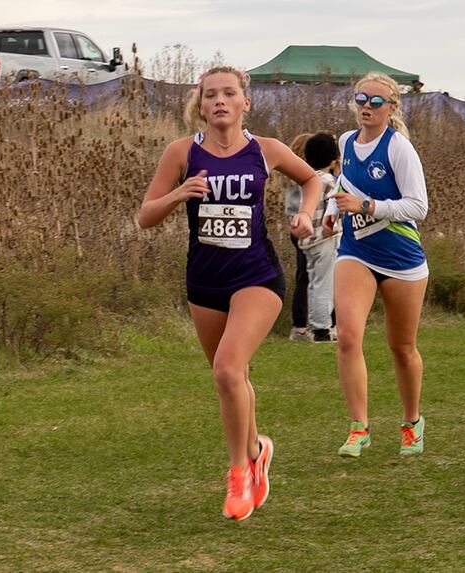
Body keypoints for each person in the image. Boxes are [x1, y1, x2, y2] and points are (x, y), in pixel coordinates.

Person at [138, 66, 320, 522]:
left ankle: (239, 473)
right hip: (205, 283)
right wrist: (179, 194)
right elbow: (145, 216)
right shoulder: (181, 153)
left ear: (246, 103)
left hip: (257, 277)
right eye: (210, 95)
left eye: (229, 94)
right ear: (200, 105)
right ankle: (258, 449)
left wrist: (307, 216)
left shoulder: (267, 151)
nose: (220, 101)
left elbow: (312, 179)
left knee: (227, 368)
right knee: (230, 380)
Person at [322, 72, 429, 459]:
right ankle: (358, 428)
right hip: (357, 250)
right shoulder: (346, 141)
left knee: (401, 348)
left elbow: (419, 207)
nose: (366, 106)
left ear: (392, 107)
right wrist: (332, 210)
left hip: (402, 259)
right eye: (360, 99)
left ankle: (412, 422)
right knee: (348, 336)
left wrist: (368, 207)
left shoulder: (399, 149)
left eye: (376, 102)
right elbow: (344, 186)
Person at [299, 132, 342, 342]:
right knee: (325, 283)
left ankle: (315, 324)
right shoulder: (328, 181)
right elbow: (333, 209)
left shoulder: (306, 179)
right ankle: (322, 329)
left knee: (314, 282)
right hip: (325, 239)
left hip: (308, 240)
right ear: (333, 159)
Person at [283, 133, 314, 342]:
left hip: (293, 226)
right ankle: (302, 326)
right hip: (305, 227)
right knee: (309, 277)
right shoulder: (306, 176)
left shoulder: (289, 176)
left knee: (303, 275)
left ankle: (301, 324)